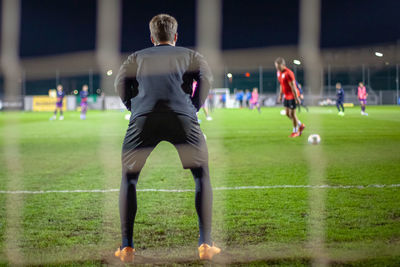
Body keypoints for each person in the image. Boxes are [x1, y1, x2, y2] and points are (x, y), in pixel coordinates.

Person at [114, 14, 220, 262]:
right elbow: (207, 79)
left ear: (152, 38)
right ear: (175, 36)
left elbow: (120, 82)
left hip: (143, 118)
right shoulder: (191, 55)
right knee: (201, 174)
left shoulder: (136, 57)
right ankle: (205, 243)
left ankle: (127, 247)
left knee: (129, 179)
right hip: (183, 118)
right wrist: (193, 105)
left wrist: (133, 105)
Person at [275, 57, 305, 138]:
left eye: (278, 67)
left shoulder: (289, 73)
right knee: (287, 114)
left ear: (283, 65)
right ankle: (300, 125)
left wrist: (296, 98)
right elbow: (281, 84)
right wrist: (280, 95)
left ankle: (295, 132)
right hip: (286, 96)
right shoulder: (279, 73)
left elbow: (293, 87)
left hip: (292, 95)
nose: (277, 68)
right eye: (276, 67)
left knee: (292, 114)